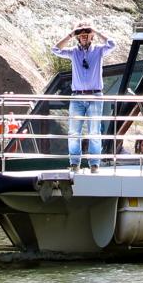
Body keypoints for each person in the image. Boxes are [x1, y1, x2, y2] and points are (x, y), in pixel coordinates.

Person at [52, 22, 116, 174]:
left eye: (87, 33)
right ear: (77, 37)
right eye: (81, 34)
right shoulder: (74, 51)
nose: (84, 35)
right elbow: (55, 49)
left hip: (95, 95)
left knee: (94, 132)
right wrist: (71, 33)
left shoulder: (99, 50)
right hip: (77, 96)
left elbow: (112, 44)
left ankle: (94, 164)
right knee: (74, 132)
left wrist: (96, 30)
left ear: (91, 35)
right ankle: (75, 163)